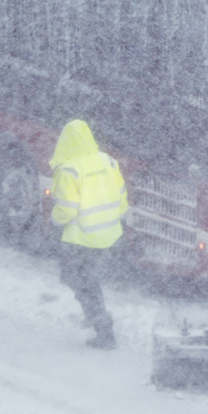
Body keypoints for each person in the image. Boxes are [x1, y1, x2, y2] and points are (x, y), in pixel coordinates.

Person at [49, 119, 128, 349]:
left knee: (79, 281)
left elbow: (66, 210)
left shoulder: (70, 170)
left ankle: (103, 330)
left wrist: (53, 221)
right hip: (110, 235)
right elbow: (122, 201)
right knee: (87, 280)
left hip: (82, 239)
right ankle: (95, 314)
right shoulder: (108, 161)